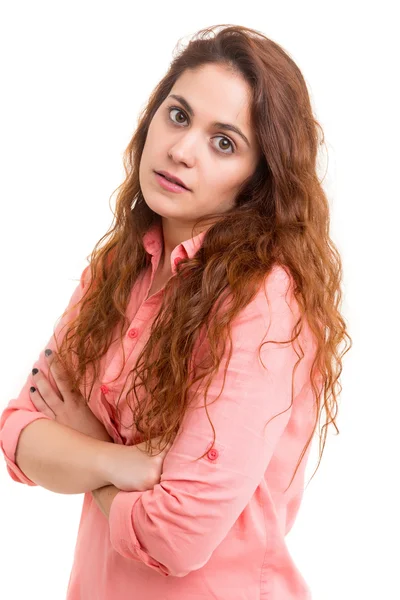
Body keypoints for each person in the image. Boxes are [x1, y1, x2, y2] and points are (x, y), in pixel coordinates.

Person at [0, 24, 351, 599]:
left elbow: (176, 536)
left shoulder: (263, 302)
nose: (181, 150)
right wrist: (124, 461)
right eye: (180, 115)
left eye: (224, 142)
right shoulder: (116, 270)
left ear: (258, 181)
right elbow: (17, 432)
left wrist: (87, 459)